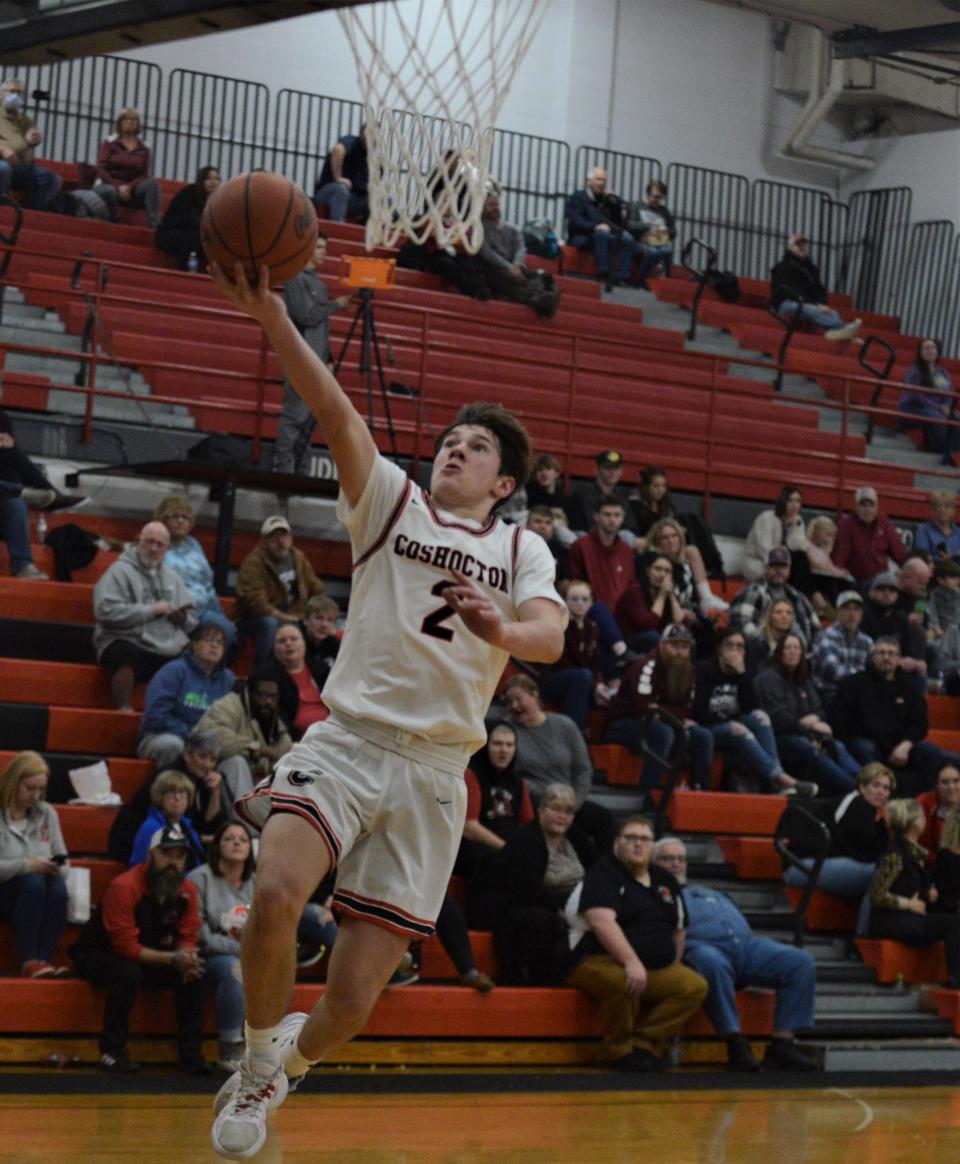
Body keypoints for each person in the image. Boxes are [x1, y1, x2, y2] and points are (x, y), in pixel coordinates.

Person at [207, 259, 565, 1159]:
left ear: (503, 482)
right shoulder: (392, 501)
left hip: (438, 773)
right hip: (351, 739)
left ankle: (289, 1066)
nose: (455, 448)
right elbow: (333, 406)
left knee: (357, 999)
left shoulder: (523, 547)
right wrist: (272, 316)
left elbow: (552, 639)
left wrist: (507, 629)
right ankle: (255, 1066)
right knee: (279, 890)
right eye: (450, 437)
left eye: (476, 447)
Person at [653, 837, 818, 1072]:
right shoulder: (657, 895)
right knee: (709, 960)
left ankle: (783, 1043)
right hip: (703, 948)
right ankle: (735, 1042)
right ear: (652, 864)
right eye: (668, 859)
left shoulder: (708, 891)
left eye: (681, 859)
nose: (676, 864)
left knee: (800, 961)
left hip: (746, 946)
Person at [565, 814, 708, 1072]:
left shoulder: (664, 880)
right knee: (623, 981)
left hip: (651, 966)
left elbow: (679, 930)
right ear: (616, 843)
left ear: (653, 845)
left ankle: (645, 1045)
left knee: (693, 986)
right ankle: (617, 1051)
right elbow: (601, 921)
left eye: (644, 839)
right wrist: (631, 961)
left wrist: (671, 965)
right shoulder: (604, 873)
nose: (638, 844)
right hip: (596, 959)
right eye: (630, 838)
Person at [70, 823, 211, 1075]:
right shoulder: (124, 887)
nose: (172, 862)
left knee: (195, 974)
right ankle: (111, 1051)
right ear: (151, 854)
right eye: (166, 854)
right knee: (127, 973)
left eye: (179, 857)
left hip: (151, 954)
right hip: (100, 953)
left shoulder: (187, 890)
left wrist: (187, 957)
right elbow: (125, 947)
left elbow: (188, 934)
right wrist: (173, 958)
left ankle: (191, 1054)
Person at [493, 783, 598, 985]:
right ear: (541, 809)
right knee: (542, 920)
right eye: (556, 809)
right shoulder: (526, 839)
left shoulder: (573, 835)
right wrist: (567, 906)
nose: (562, 816)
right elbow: (527, 892)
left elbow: (599, 865)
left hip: (571, 902)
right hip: (521, 907)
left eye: (568, 812)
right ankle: (541, 981)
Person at [501, 673, 615, 852]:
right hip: (537, 802)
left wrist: (573, 803)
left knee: (604, 819)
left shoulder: (565, 725)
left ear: (535, 695)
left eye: (518, 699)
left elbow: (583, 769)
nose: (514, 706)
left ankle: (604, 874)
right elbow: (511, 774)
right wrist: (553, 803)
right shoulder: (507, 730)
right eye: (509, 702)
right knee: (573, 833)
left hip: (571, 800)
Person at [93, 521, 197, 712]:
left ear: (167, 549)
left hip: (166, 642)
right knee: (125, 654)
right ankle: (123, 710)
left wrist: (182, 619)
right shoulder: (118, 571)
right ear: (137, 541)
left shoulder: (173, 577)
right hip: (127, 638)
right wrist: (151, 610)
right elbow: (104, 612)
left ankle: (185, 713)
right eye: (149, 542)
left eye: (160, 545)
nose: (153, 548)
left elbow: (192, 622)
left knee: (195, 657)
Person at [604, 624, 715, 798]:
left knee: (703, 736)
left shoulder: (689, 670)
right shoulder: (646, 666)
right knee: (663, 732)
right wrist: (671, 713)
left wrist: (666, 712)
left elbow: (688, 708)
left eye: (684, 647)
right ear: (663, 645)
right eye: (675, 645)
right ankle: (649, 793)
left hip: (661, 722)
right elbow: (646, 708)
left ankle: (699, 791)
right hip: (622, 724)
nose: (680, 651)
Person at [272, 232, 350, 475]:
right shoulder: (296, 279)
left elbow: (321, 330)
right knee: (295, 417)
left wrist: (328, 359)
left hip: (315, 360)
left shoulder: (317, 283)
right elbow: (306, 316)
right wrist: (337, 305)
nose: (323, 252)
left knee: (307, 421)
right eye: (319, 247)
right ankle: (283, 471)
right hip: (301, 359)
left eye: (324, 247)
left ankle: (300, 472)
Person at [830, 637, 947, 797]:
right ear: (873, 657)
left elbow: (920, 723)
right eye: (881, 653)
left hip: (901, 744)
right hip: (867, 741)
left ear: (899, 659)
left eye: (891, 653)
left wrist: (905, 745)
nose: (886, 657)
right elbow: (840, 721)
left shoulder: (909, 687)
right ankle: (880, 796)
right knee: (863, 747)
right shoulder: (854, 683)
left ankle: (922, 801)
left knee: (932, 752)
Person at [694, 628, 802, 795]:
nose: (734, 651)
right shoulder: (705, 670)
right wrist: (729, 722)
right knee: (741, 731)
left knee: (761, 717)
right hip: (710, 725)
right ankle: (780, 779)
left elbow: (751, 707)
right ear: (720, 649)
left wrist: (741, 674)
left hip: (732, 721)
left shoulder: (743, 672)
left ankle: (776, 775)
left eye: (739, 647)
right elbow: (699, 713)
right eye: (729, 645)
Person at [868, 799, 960, 988]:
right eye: (921, 816)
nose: (925, 819)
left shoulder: (915, 854)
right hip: (893, 922)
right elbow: (877, 894)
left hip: (909, 920)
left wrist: (927, 895)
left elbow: (907, 888)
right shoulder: (895, 854)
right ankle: (955, 979)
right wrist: (907, 904)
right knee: (954, 923)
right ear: (912, 822)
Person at [188, 821, 257, 1071]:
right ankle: (229, 1047)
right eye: (229, 838)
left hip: (251, 955)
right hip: (210, 956)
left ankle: (268, 1049)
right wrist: (242, 951)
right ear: (217, 846)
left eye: (243, 839)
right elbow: (199, 934)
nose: (237, 842)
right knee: (234, 969)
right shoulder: (199, 878)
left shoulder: (258, 883)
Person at [754, 634, 861, 795]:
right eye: (788, 648)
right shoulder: (767, 678)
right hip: (779, 739)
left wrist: (815, 719)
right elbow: (778, 718)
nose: (792, 652)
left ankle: (866, 781)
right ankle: (854, 789)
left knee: (836, 746)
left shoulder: (802, 679)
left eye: (796, 648)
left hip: (806, 734)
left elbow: (819, 708)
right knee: (808, 747)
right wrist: (808, 726)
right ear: (779, 652)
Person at [107, 730, 231, 863]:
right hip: (136, 841)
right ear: (187, 755)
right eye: (202, 756)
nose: (207, 765)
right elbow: (174, 824)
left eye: (213, 760)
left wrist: (215, 793)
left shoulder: (206, 781)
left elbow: (210, 826)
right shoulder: (169, 778)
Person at [0, 751, 69, 978]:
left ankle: (44, 961)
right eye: (29, 788)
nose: (36, 795)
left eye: (41, 789)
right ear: (13, 782)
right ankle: (29, 960)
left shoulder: (47, 812)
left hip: (38, 890)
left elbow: (64, 860)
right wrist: (27, 865)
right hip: (7, 890)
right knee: (32, 882)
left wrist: (55, 866)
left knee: (57, 887)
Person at [781, 763, 893, 899]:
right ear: (862, 787)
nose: (881, 792)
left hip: (820, 862)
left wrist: (881, 822)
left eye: (886, 788)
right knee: (883, 874)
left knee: (888, 871)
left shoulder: (868, 810)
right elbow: (868, 852)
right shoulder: (857, 805)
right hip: (801, 867)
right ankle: (870, 921)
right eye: (876, 785)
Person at [137, 619, 235, 770]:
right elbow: (155, 716)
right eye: (208, 640)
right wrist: (192, 734)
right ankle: (170, 790)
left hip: (211, 742)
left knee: (236, 760)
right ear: (194, 645)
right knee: (173, 745)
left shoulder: (229, 679)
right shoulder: (173, 671)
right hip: (164, 736)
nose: (214, 645)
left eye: (220, 642)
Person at [233, 514, 326, 668]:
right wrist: (287, 618)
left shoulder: (298, 558)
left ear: (291, 539)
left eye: (283, 535)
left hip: (293, 614)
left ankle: (313, 676)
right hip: (254, 618)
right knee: (270, 624)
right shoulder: (253, 563)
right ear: (263, 542)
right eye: (273, 537)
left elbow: (316, 588)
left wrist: (319, 613)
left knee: (319, 624)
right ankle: (262, 675)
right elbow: (257, 604)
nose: (280, 541)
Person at [458, 721, 534, 893]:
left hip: (508, 846)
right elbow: (469, 827)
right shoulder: (471, 774)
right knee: (497, 863)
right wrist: (508, 849)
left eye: (509, 745)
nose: (504, 750)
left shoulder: (518, 782)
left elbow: (528, 825)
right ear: (486, 746)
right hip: (473, 846)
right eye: (497, 744)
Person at [197, 673, 293, 806]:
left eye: (273, 697)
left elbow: (286, 753)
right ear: (250, 693)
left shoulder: (274, 721)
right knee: (237, 763)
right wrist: (258, 749)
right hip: (212, 772)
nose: (268, 701)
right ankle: (243, 824)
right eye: (262, 695)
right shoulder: (228, 705)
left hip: (253, 780)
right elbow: (214, 740)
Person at [154, 495, 234, 645]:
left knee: (230, 631)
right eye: (174, 516)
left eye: (185, 517)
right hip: (178, 612)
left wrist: (220, 614)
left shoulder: (194, 545)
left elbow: (207, 585)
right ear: (163, 519)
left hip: (204, 610)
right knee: (224, 632)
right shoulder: (158, 545)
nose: (180, 521)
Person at [539, 580, 614, 735]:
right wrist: (594, 683)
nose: (580, 603)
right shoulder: (559, 625)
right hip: (551, 679)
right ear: (565, 601)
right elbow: (561, 662)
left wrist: (599, 683)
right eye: (574, 599)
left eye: (585, 599)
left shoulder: (592, 627)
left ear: (591, 603)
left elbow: (596, 663)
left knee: (608, 687)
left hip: (582, 680)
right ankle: (575, 732)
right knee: (583, 677)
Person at [477, 184, 559, 318]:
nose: (495, 208)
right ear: (483, 208)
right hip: (496, 269)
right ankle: (542, 300)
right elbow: (488, 254)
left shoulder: (512, 229)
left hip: (515, 266)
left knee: (541, 277)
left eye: (496, 204)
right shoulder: (481, 229)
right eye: (490, 205)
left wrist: (517, 264)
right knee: (507, 278)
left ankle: (543, 298)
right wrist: (510, 268)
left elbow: (522, 247)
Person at [769, 233, 860, 341]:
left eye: (803, 244)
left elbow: (819, 289)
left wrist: (823, 303)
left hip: (805, 303)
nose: (802, 247)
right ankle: (845, 330)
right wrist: (816, 304)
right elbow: (789, 290)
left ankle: (835, 334)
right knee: (814, 310)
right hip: (787, 303)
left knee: (831, 312)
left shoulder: (811, 268)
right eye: (798, 244)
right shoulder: (782, 267)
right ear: (790, 248)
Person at [729, 547, 820, 650]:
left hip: (803, 657)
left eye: (783, 566)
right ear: (765, 568)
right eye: (774, 566)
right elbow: (741, 624)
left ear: (789, 569)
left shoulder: (798, 597)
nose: (779, 570)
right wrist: (768, 646)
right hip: (765, 655)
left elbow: (817, 628)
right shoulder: (752, 592)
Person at [564, 167, 636, 287]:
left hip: (606, 234)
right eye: (598, 180)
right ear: (589, 181)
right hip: (583, 236)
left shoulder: (606, 200)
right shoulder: (578, 197)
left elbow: (617, 223)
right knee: (602, 234)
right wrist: (595, 227)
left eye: (604, 180)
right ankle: (602, 272)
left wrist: (615, 204)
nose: (601, 183)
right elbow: (574, 220)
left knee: (628, 240)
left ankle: (623, 277)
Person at [93, 106, 161, 227]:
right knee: (108, 191)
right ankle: (114, 220)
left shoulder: (145, 147)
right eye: (125, 120)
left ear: (137, 124)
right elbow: (100, 168)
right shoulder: (110, 142)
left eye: (133, 120)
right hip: (110, 185)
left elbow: (144, 174)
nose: (129, 122)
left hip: (133, 189)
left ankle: (154, 224)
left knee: (152, 184)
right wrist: (118, 187)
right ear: (120, 123)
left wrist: (128, 187)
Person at [646, 516, 728, 616]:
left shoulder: (684, 561)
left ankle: (707, 598)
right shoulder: (656, 565)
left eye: (674, 535)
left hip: (692, 610)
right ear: (656, 542)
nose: (671, 540)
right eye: (665, 537)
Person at [0, 77, 61, 211]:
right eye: (11, 91)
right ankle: (3, 211)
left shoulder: (25, 120)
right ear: (1, 94)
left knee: (53, 179)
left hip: (19, 167)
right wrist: (3, 149)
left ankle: (32, 212)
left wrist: (35, 138)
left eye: (19, 92)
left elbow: (31, 139)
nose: (15, 95)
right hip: (2, 164)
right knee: (3, 169)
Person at [128, 770, 206, 869]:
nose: (177, 797)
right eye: (171, 792)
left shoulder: (189, 828)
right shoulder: (150, 828)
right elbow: (138, 868)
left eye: (182, 792)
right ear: (160, 796)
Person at [899, 339, 959, 465]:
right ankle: (937, 454)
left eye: (933, 348)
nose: (930, 351)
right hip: (912, 408)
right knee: (936, 417)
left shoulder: (942, 372)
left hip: (936, 409)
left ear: (937, 352)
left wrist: (947, 406)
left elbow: (950, 392)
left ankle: (950, 455)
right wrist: (938, 407)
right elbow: (916, 395)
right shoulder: (914, 370)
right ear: (920, 352)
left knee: (957, 419)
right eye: (926, 348)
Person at [832, 486, 907, 584]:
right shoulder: (846, 525)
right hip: (857, 582)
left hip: (882, 581)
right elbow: (840, 558)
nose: (867, 510)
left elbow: (899, 552)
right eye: (863, 505)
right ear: (855, 507)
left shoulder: (883, 522)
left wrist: (907, 572)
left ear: (877, 507)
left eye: (871, 505)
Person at [614, 553, 686, 654]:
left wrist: (672, 596)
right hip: (628, 644)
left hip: (654, 641)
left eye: (667, 571)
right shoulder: (634, 592)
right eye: (658, 569)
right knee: (653, 637)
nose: (662, 574)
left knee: (684, 638)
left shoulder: (667, 593)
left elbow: (679, 621)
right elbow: (648, 625)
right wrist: (661, 596)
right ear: (648, 571)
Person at [268, 622, 330, 738]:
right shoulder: (269, 677)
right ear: (275, 649)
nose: (288, 644)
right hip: (296, 738)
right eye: (282, 641)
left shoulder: (322, 669)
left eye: (294, 639)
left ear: (304, 644)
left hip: (331, 730)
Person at [811, 589, 874, 703]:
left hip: (858, 696)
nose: (852, 614)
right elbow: (834, 672)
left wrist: (864, 676)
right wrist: (863, 675)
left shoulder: (867, 641)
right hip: (829, 696)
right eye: (846, 608)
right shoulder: (825, 636)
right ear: (838, 612)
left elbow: (874, 672)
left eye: (856, 609)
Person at [155, 165, 221, 270]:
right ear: (201, 180)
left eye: (217, 178)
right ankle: (185, 270)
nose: (214, 182)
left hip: (197, 237)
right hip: (169, 234)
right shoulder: (188, 193)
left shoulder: (218, 201)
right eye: (209, 178)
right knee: (193, 238)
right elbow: (182, 220)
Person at [741, 485, 808, 584]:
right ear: (782, 501)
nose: (795, 505)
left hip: (783, 564)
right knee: (795, 570)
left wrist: (792, 528)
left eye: (798, 501)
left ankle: (803, 596)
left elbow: (799, 547)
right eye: (790, 501)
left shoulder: (798, 521)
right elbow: (764, 550)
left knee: (800, 559)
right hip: (759, 564)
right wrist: (783, 563)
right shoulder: (767, 518)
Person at [566, 450, 638, 538]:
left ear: (621, 472)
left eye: (616, 468)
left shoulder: (622, 496)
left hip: (616, 541)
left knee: (627, 536)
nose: (612, 472)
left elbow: (631, 526)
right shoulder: (585, 494)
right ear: (597, 470)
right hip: (590, 539)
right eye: (607, 468)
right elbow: (589, 524)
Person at [626, 180, 676, 289]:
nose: (657, 200)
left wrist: (666, 230)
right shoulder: (637, 206)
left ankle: (665, 283)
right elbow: (630, 225)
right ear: (648, 194)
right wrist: (648, 226)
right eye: (655, 196)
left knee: (668, 251)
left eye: (660, 197)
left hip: (658, 242)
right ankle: (641, 282)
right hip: (639, 242)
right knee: (653, 252)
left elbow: (673, 231)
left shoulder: (664, 211)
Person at [313, 129, 368, 222]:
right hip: (329, 192)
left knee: (385, 200)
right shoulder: (352, 142)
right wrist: (338, 177)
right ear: (362, 134)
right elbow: (338, 149)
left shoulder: (375, 156)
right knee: (341, 190)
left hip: (356, 199)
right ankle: (339, 227)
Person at [804, 514, 854, 611]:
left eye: (832, 536)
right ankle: (837, 608)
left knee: (847, 582)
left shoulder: (824, 550)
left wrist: (840, 571)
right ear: (817, 532)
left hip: (824, 577)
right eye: (827, 535)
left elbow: (829, 566)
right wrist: (835, 572)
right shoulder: (807, 545)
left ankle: (849, 605)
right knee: (832, 583)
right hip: (814, 578)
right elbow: (814, 563)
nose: (829, 539)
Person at [918, 761, 960, 861]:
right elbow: (921, 848)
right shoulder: (925, 804)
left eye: (956, 781)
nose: (951, 787)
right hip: (934, 866)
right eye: (945, 782)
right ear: (936, 785)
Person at [299, 594, 342, 677]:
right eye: (319, 618)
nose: (324, 625)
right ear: (305, 620)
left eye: (330, 620)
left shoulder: (332, 642)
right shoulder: (294, 639)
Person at [526, 505, 570, 580]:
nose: (543, 526)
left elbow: (564, 580)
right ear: (527, 525)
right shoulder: (517, 546)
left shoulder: (560, 550)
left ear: (553, 528)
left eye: (548, 523)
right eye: (537, 521)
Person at [914, 491, 960, 562]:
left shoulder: (958, 533)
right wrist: (943, 560)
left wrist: (951, 559)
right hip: (933, 570)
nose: (942, 510)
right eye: (939, 506)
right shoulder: (924, 530)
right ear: (933, 510)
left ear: (953, 511)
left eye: (947, 506)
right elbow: (922, 557)